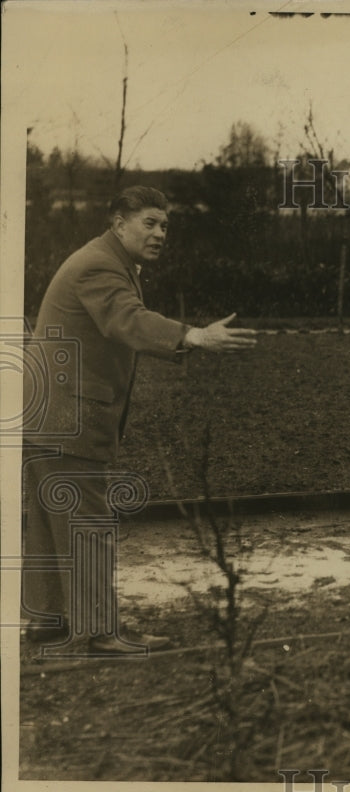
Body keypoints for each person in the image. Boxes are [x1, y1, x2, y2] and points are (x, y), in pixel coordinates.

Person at [22, 186, 257, 653]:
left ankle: (50, 619)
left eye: (165, 225)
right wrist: (191, 335)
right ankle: (99, 632)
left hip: (46, 409)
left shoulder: (108, 260)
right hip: (69, 412)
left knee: (52, 517)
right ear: (118, 223)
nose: (160, 233)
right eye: (149, 222)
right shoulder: (100, 265)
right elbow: (126, 319)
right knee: (86, 519)